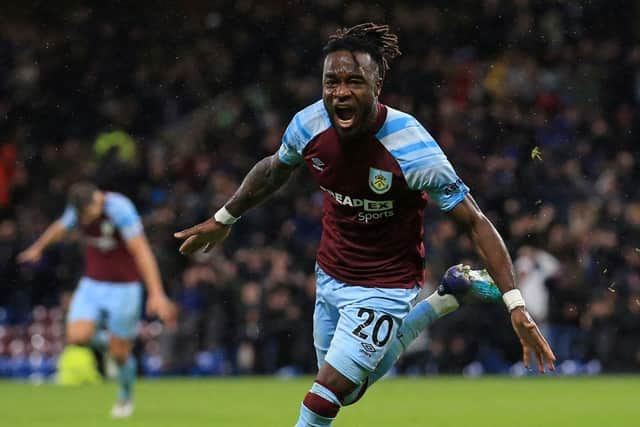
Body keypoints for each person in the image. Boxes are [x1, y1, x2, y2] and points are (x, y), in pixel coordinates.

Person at [174, 23, 555, 426]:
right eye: (331, 82)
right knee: (348, 392)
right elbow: (274, 169)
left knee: (323, 399)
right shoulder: (309, 124)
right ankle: (448, 294)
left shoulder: (413, 148)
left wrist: (515, 304)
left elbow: (475, 222)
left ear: (378, 84)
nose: (340, 92)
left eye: (353, 81)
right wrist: (224, 217)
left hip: (386, 285)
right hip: (331, 273)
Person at [18, 181, 176, 418]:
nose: (86, 220)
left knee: (120, 355)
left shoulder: (120, 209)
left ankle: (125, 395)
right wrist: (38, 248)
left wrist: (156, 292)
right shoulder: (79, 209)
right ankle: (112, 342)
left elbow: (142, 251)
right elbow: (60, 228)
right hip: (93, 283)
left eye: (89, 213)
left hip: (125, 288)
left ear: (97, 200)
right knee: (76, 336)